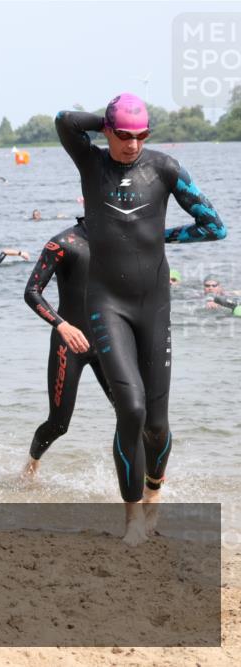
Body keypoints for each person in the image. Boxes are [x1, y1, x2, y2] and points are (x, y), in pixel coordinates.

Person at [56, 93, 226, 545]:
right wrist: (108, 115)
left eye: (141, 135)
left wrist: (161, 236)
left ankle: (154, 499)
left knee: (156, 424)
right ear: (108, 131)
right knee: (129, 409)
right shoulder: (90, 163)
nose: (133, 144)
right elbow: (64, 120)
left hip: (153, 304)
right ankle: (132, 520)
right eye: (124, 134)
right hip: (106, 303)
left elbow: (215, 225)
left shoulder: (164, 168)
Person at [22, 217, 112, 477]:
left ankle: (136, 481)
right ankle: (31, 464)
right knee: (59, 424)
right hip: (69, 343)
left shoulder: (119, 239)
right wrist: (62, 325)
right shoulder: (63, 243)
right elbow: (32, 291)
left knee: (131, 414)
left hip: (108, 341)